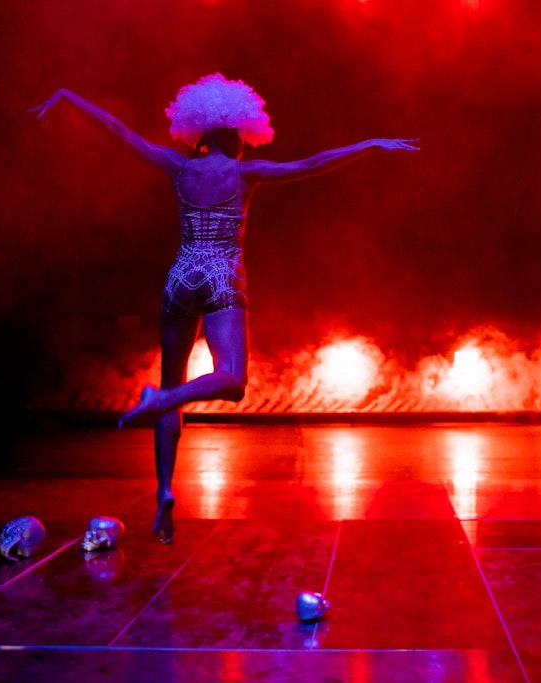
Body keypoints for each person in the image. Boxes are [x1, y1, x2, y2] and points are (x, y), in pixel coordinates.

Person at [30, 74, 418, 544]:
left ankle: (164, 494)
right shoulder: (243, 174)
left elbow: (118, 130)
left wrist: (70, 94)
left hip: (180, 277)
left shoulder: (177, 166)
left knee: (174, 377)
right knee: (232, 381)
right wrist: (371, 144)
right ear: (238, 134)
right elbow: (313, 165)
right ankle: (164, 401)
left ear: (197, 131)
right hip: (220, 278)